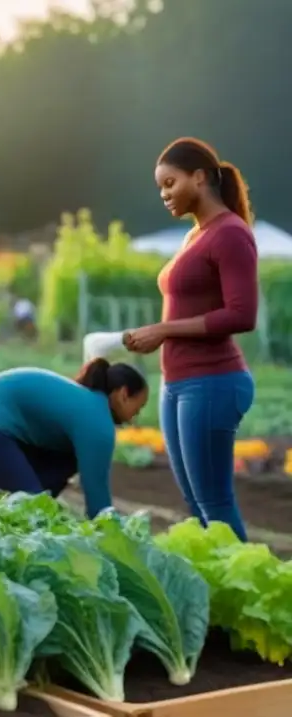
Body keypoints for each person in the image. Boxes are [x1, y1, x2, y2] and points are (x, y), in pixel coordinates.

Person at [124, 137, 258, 541]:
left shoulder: (230, 234)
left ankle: (250, 594)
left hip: (212, 382)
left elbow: (241, 314)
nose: (164, 194)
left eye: (170, 183)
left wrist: (162, 331)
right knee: (195, 504)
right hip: (179, 383)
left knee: (214, 505)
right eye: (161, 187)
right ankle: (216, 590)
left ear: (199, 177)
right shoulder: (195, 236)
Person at [0, 360, 148, 518]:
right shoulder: (99, 423)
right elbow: (99, 508)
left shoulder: (88, 404)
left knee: (38, 500)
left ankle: (2, 517)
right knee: (31, 506)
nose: (133, 419)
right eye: (136, 409)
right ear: (123, 395)